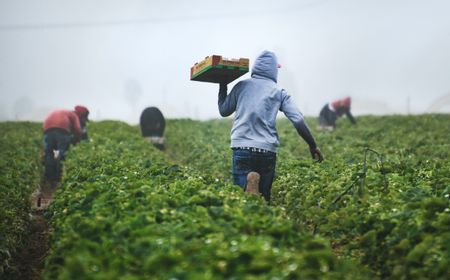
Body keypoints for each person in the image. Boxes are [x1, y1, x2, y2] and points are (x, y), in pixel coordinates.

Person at [218, 50, 323, 202]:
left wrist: (222, 85)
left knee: (240, 200)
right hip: (266, 150)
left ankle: (249, 183)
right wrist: (312, 145)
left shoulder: (241, 86)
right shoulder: (279, 92)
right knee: (264, 200)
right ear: (274, 70)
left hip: (242, 147)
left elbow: (223, 111)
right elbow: (298, 120)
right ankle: (259, 199)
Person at [42, 106, 87, 182]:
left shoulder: (62, 112)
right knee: (62, 152)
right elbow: (78, 129)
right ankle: (58, 176)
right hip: (62, 129)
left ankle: (49, 177)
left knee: (49, 152)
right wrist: (76, 140)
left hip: (47, 128)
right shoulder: (74, 115)